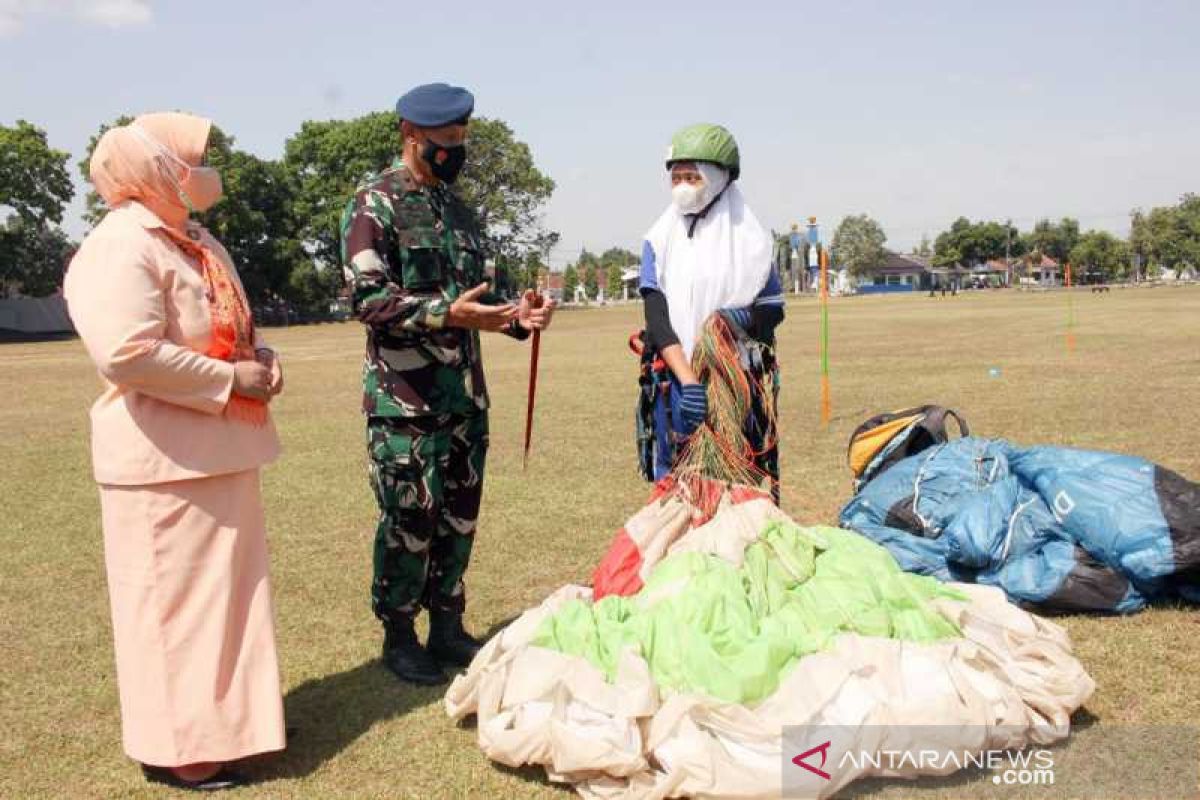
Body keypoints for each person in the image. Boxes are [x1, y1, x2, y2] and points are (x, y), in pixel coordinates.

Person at [63, 112, 286, 790]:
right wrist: (227, 381)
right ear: (156, 168)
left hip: (219, 450)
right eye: (195, 157)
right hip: (161, 462)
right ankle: (183, 751)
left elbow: (226, 329)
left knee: (226, 606)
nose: (208, 170)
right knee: (175, 615)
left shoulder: (195, 239)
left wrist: (262, 361)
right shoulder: (120, 246)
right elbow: (126, 352)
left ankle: (232, 730)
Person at [340, 83, 555, 686]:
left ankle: (449, 625)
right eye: (445, 142)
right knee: (409, 521)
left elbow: (489, 299)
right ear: (413, 136)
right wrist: (448, 314)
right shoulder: (373, 204)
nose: (455, 152)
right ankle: (401, 636)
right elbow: (369, 300)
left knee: (459, 517)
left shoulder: (461, 213)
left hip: (464, 400)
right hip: (404, 403)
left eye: (462, 140)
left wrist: (522, 314)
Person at [636, 123, 785, 494]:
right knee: (678, 489)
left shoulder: (752, 241)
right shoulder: (657, 239)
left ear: (719, 178)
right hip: (676, 387)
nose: (683, 185)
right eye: (677, 176)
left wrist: (728, 323)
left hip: (737, 388)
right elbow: (655, 315)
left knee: (739, 488)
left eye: (693, 176)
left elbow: (772, 311)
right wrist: (688, 380)